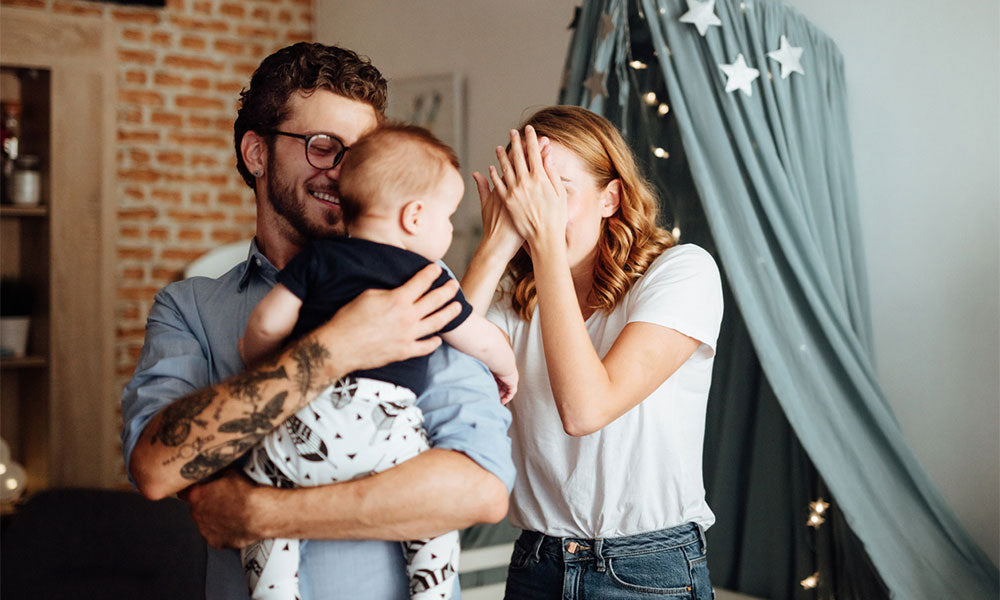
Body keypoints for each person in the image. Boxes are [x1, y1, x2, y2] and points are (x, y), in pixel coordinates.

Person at [120, 42, 514, 600]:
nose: (344, 172)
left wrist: (264, 511)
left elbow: (478, 491)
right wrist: (336, 347)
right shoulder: (190, 308)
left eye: (362, 151)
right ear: (257, 154)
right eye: (323, 146)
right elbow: (158, 468)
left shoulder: (422, 286)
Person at [237, 123, 518, 600]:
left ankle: (276, 592)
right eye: (447, 217)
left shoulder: (318, 259)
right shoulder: (427, 278)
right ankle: (432, 593)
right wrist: (507, 368)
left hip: (307, 427)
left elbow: (265, 324)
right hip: (387, 439)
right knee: (433, 519)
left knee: (260, 487)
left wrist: (261, 361)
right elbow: (480, 339)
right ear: (414, 217)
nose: (450, 229)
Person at [461, 106, 723, 599]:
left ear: (611, 198)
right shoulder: (511, 300)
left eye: (557, 191)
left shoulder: (682, 273)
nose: (539, 212)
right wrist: (495, 245)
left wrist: (545, 248)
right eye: (528, 194)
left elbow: (585, 410)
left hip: (648, 570)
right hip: (536, 562)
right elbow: (438, 378)